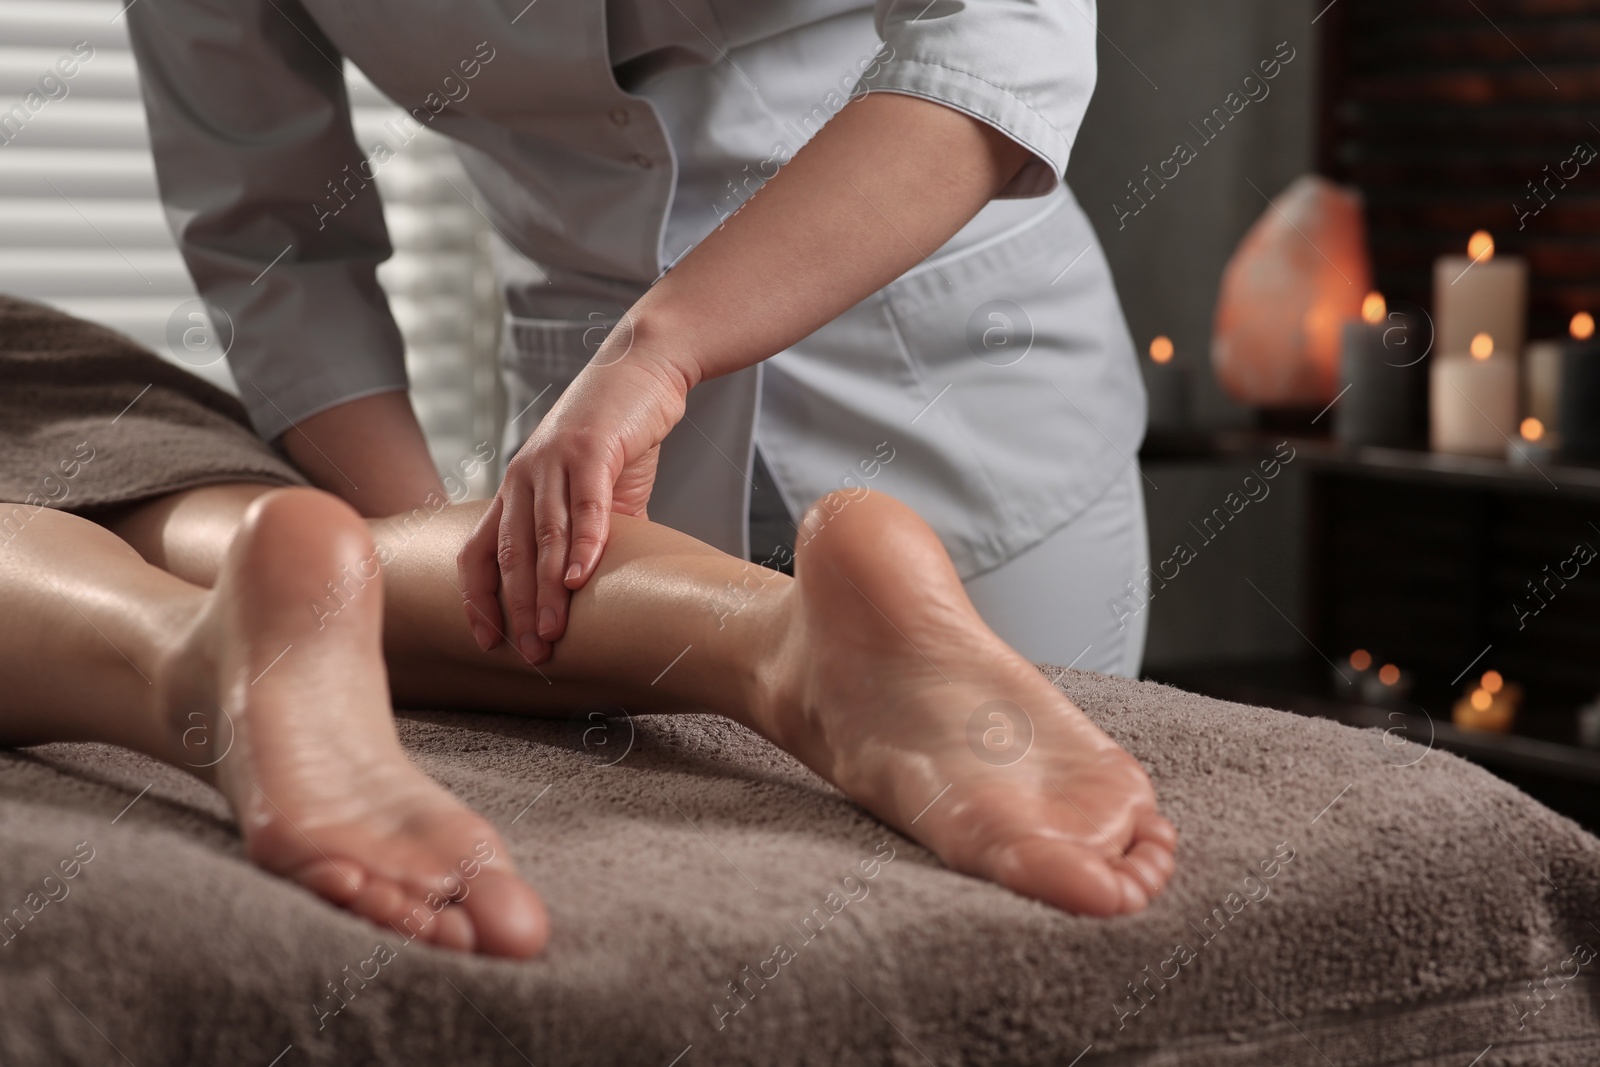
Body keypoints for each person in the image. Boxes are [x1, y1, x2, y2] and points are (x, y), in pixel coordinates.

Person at [0, 296, 1173, 958]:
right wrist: (391, 532)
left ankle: (187, 664)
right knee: (219, 516)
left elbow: (267, 224)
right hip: (59, 363)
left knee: (217, 545)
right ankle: (781, 635)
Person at [125, 0, 1151, 681]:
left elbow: (1001, 42)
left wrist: (659, 350)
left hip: (950, 366)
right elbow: (275, 246)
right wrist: (429, 564)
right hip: (582, 441)